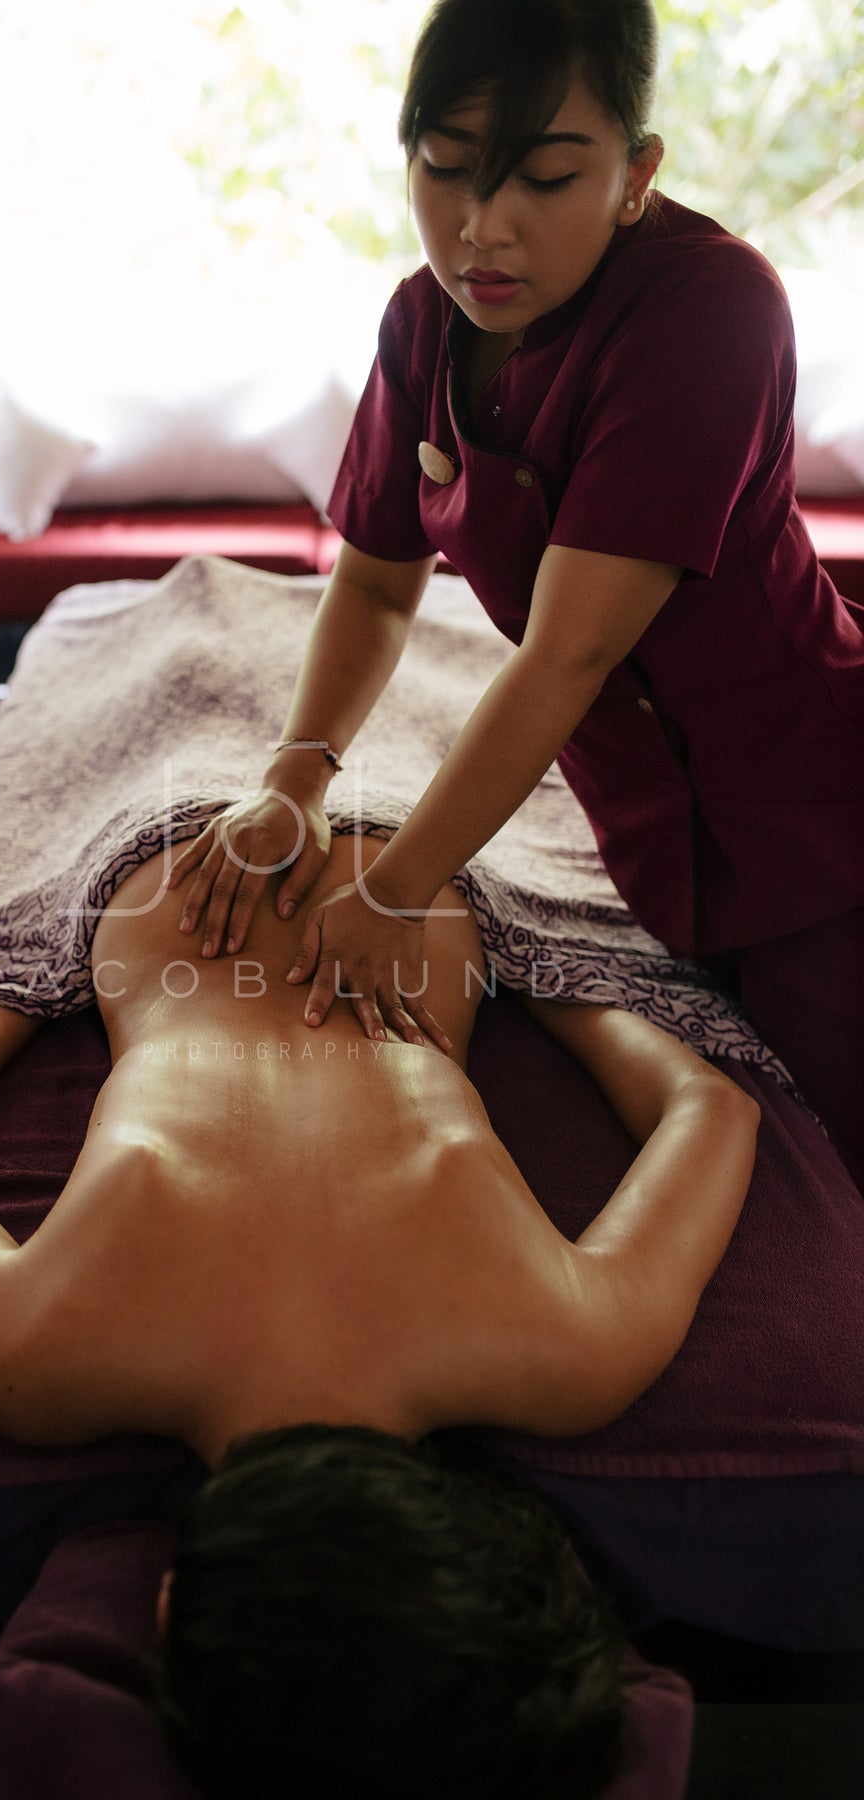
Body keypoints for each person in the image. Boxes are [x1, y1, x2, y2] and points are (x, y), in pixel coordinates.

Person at [0, 833, 759, 1799]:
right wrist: (38, 980)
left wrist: (539, 970)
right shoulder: (33, 1357)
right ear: (167, 1600)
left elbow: (712, 1106)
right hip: (163, 879)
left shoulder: (578, 1351)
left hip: (421, 852)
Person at [167, 0, 864, 1189]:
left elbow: (566, 657)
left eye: (545, 178)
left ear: (637, 172)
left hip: (822, 806)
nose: (481, 231)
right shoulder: (423, 325)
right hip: (650, 837)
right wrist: (294, 778)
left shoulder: (713, 312)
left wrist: (392, 890)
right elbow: (382, 588)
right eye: (445, 172)